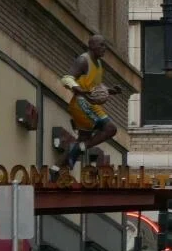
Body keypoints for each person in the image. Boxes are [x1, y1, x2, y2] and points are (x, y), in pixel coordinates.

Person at [53, 35, 123, 177]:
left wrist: (110, 91)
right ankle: (80, 148)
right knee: (110, 129)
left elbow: (95, 88)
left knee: (82, 140)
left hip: (90, 103)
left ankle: (55, 170)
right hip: (81, 103)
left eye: (105, 45)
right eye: (101, 45)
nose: (104, 48)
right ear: (91, 45)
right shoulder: (83, 60)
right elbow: (66, 78)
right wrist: (78, 89)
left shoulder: (99, 64)